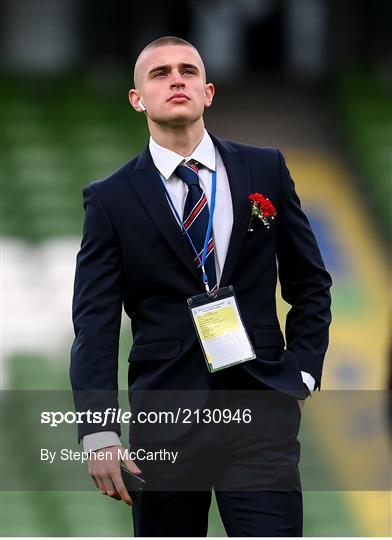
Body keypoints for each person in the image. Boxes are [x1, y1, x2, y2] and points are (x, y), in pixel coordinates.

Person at [70, 36, 332, 537]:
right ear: (137, 98)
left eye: (188, 70)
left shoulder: (265, 168)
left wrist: (303, 374)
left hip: (261, 411)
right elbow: (95, 325)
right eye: (160, 73)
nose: (176, 80)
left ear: (207, 92)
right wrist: (98, 431)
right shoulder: (109, 199)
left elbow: (311, 283)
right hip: (165, 418)